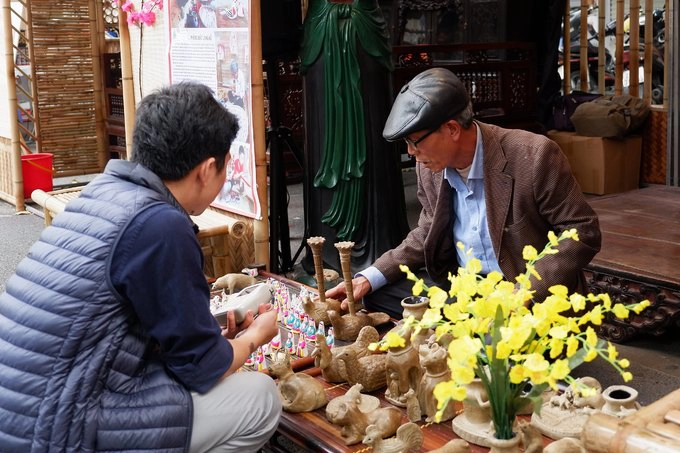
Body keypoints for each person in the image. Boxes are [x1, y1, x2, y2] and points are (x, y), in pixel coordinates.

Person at [0, 82, 281, 452]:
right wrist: (254, 337)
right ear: (207, 168)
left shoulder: (106, 190)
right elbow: (202, 368)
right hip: (60, 425)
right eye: (226, 168)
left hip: (21, 408)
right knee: (260, 398)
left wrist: (216, 343)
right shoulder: (161, 225)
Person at [326, 67, 602, 319]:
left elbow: (581, 230)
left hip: (524, 297)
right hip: (465, 291)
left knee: (498, 338)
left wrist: (527, 290)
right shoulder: (430, 168)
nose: (411, 152)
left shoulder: (533, 154)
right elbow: (426, 232)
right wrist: (368, 277)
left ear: (452, 129)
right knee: (378, 292)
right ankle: (471, 331)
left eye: (414, 141)